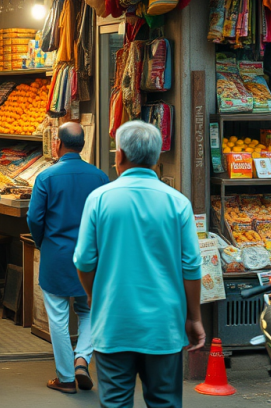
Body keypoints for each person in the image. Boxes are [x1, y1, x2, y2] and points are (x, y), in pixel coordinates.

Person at [74, 121, 204, 408]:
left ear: (119, 155)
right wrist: (194, 317)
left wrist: (94, 294)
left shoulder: (99, 199)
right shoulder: (178, 202)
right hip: (164, 325)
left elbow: (84, 259)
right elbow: (192, 266)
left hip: (114, 322)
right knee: (164, 402)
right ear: (156, 157)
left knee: (116, 403)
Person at [27, 122, 109, 394]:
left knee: (58, 317)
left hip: (57, 255)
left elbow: (34, 218)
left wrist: (42, 242)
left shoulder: (46, 177)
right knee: (90, 311)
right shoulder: (100, 177)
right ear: (82, 145)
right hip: (91, 257)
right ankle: (82, 359)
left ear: (58, 144)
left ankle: (64, 378)